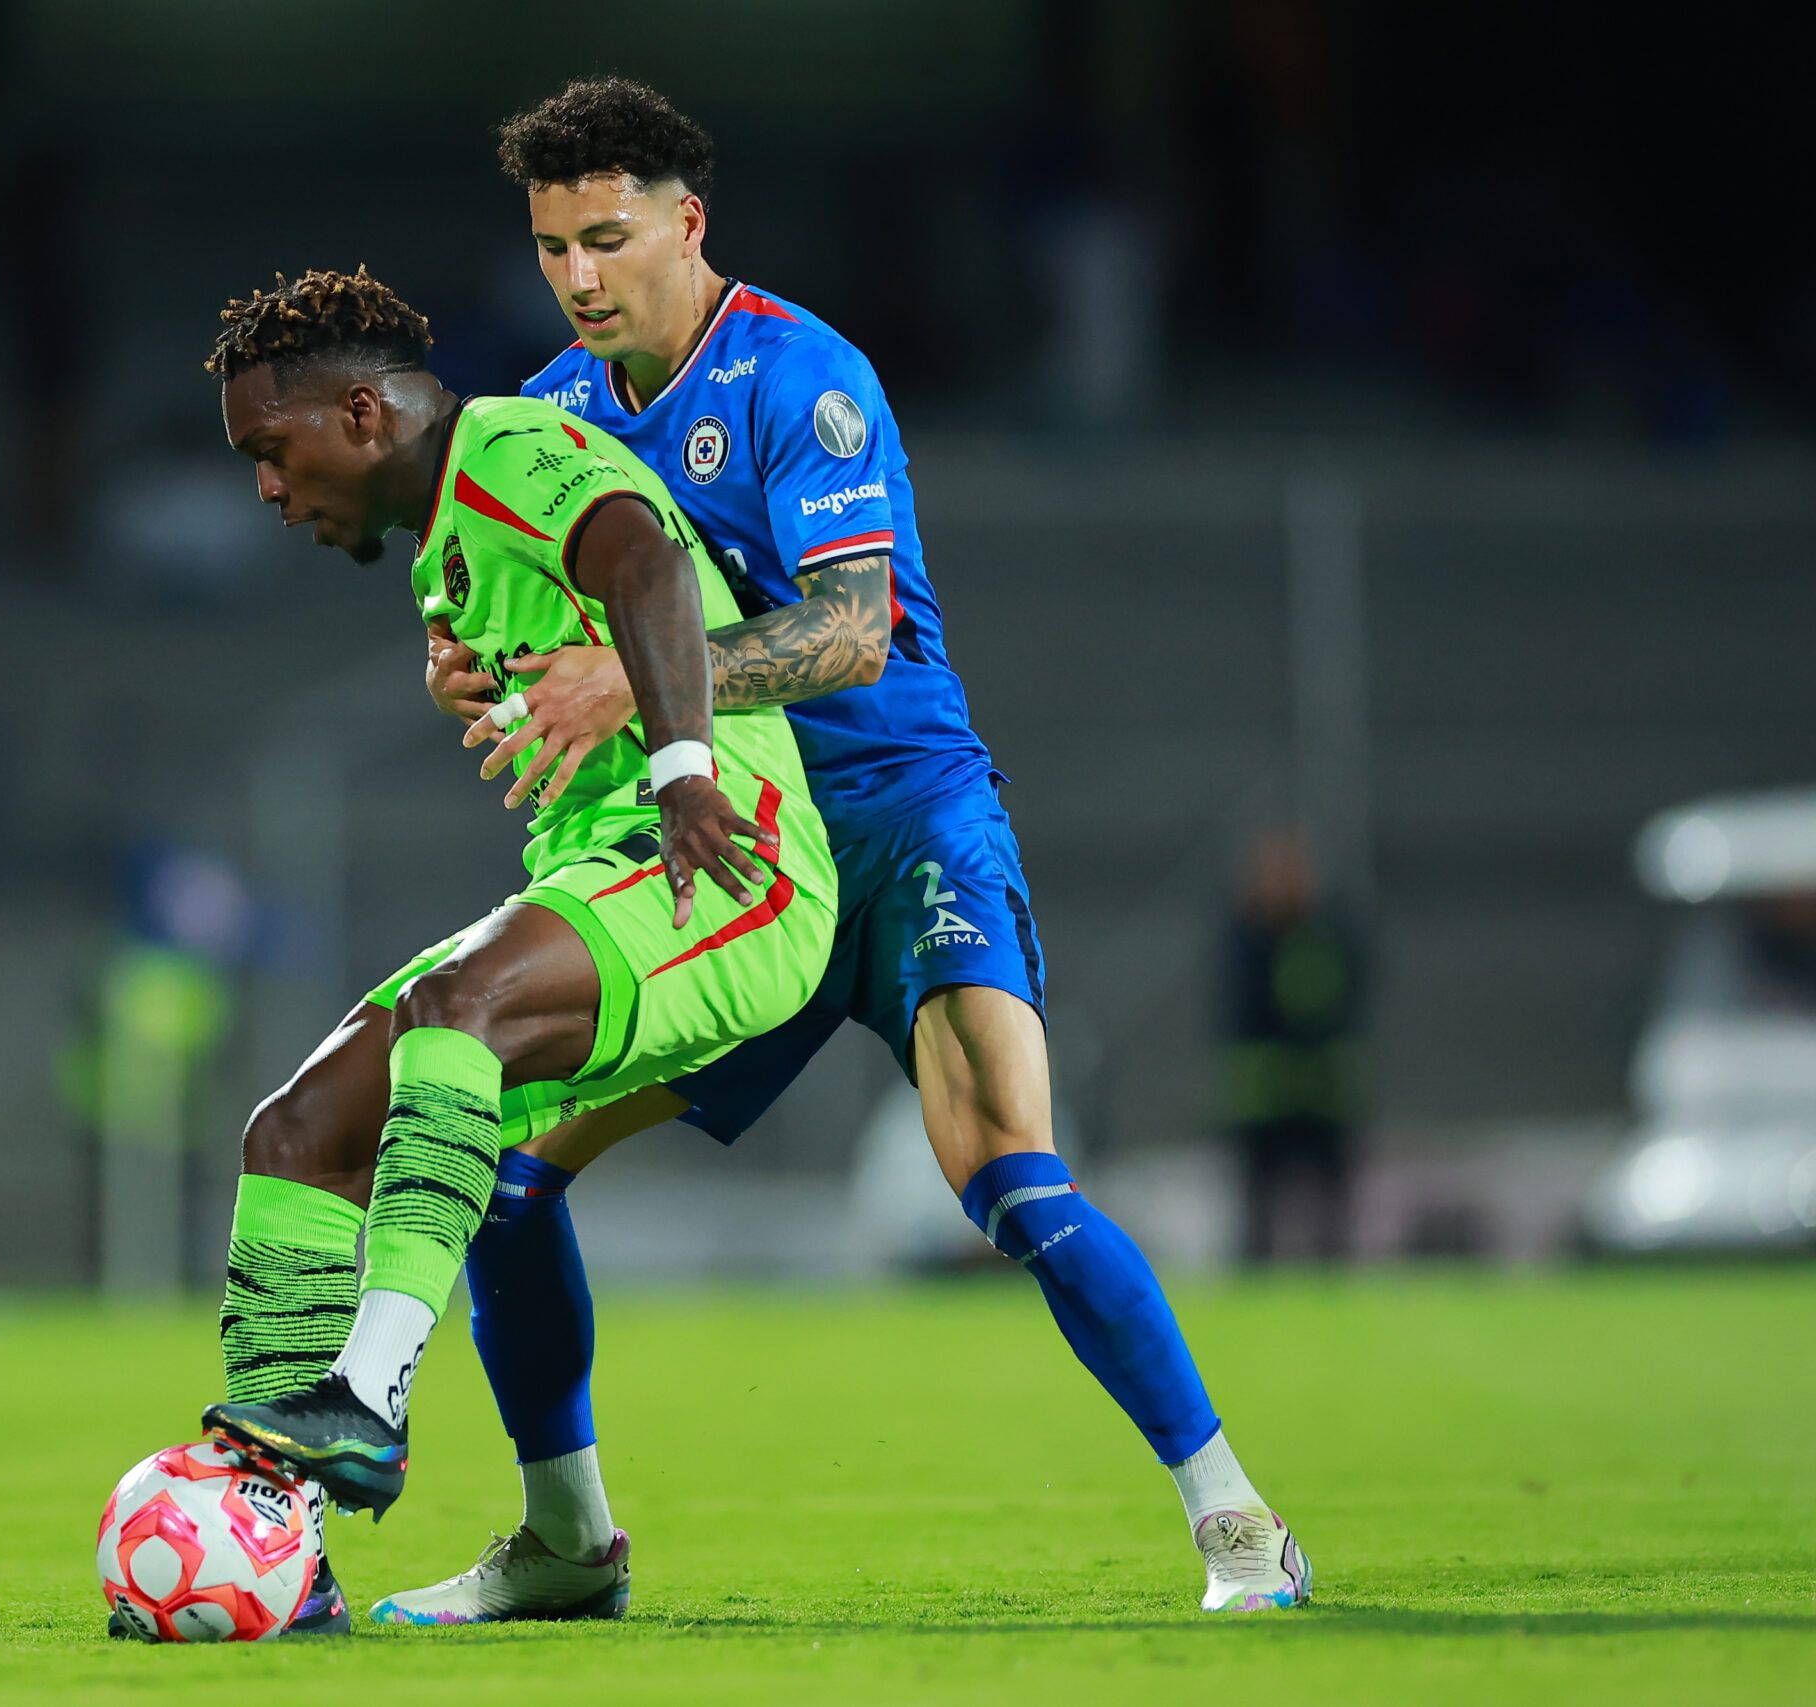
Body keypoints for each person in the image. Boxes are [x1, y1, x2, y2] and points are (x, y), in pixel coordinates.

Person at [374, 78, 1307, 1624]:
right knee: (511, 1175)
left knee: (1002, 1166)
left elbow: (856, 631)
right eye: (552, 250)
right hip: (732, 856)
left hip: (896, 823)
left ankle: (1240, 1522)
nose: (582, 278)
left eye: (607, 239)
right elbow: (472, 591)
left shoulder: (802, 378)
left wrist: (638, 675)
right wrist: (463, 660)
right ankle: (566, 1542)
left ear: (689, 221)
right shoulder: (539, 421)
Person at [191, 266, 839, 1632]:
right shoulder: (451, 538)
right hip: (612, 882)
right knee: (297, 1129)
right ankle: (274, 1544)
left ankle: (365, 1394)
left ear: (364, 413)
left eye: (273, 449)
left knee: (457, 1007)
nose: (266, 487)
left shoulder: (505, 446)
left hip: (728, 860)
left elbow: (647, 559)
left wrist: (679, 769)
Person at [1221, 828, 1364, 1262]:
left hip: (1324, 1097)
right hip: (1264, 1101)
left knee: (1331, 1211)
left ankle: (1335, 1283)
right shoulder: (1245, 938)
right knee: (1260, 1211)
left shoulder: (1331, 933)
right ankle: (1256, 1282)